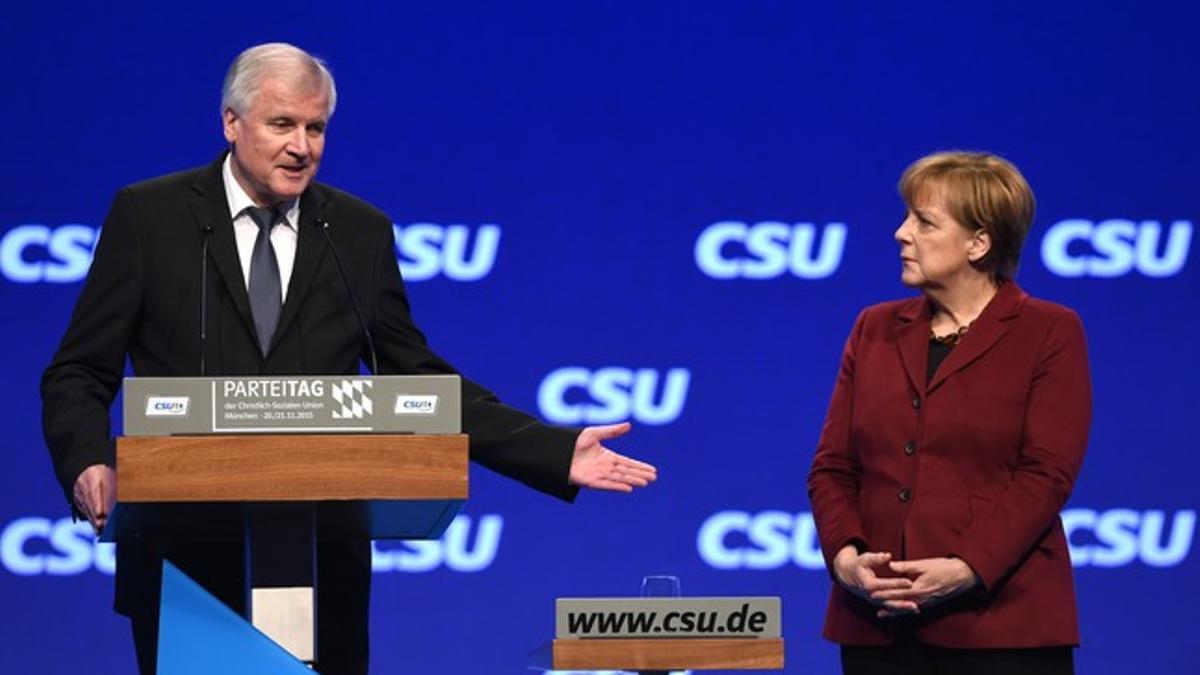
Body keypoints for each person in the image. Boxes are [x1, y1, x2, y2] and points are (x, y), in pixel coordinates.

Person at [41, 43, 657, 675]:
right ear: (231, 122)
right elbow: (79, 371)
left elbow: (416, 378)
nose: (301, 146)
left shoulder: (357, 232)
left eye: (316, 128)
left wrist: (550, 449)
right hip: (183, 554)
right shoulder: (151, 217)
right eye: (282, 124)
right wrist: (89, 460)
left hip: (320, 554)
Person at [807, 151, 1091, 674]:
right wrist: (846, 559)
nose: (900, 233)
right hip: (880, 626)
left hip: (1002, 626)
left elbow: (1046, 475)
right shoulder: (874, 327)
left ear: (979, 243)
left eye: (924, 222)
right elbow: (832, 467)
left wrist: (966, 568)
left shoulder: (1048, 332)